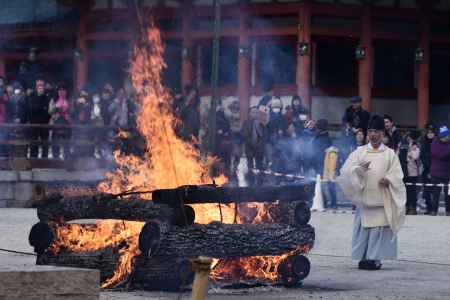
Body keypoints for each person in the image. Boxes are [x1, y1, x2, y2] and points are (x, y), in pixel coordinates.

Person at [337, 115, 406, 270]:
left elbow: (398, 175)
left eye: (377, 131)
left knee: (378, 231)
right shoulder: (359, 152)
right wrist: (358, 170)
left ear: (383, 133)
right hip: (364, 201)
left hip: (381, 200)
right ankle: (363, 258)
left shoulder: (389, 154)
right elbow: (346, 171)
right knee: (363, 231)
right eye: (371, 131)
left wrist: (388, 179)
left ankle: (375, 259)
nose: (373, 135)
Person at [24, 79, 51, 158]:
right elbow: (30, 108)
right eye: (38, 86)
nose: (40, 88)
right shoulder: (31, 95)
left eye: (41, 86)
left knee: (45, 144)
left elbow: (48, 111)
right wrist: (42, 108)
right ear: (36, 86)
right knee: (33, 143)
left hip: (45, 123)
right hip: (34, 123)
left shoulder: (47, 96)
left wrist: (41, 108)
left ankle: (45, 161)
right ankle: (33, 160)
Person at [429, 126, 450, 216]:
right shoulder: (434, 143)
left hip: (448, 172)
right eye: (446, 136)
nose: (448, 137)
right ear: (441, 136)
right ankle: (434, 210)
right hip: (436, 172)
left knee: (448, 194)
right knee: (435, 193)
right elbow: (439, 155)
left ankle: (448, 211)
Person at [404, 131, 422, 215]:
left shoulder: (416, 148)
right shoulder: (405, 147)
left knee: (413, 191)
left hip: (413, 172)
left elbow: (415, 157)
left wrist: (410, 149)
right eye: (407, 137)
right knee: (406, 191)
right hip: (405, 172)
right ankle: (406, 207)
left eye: (410, 137)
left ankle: (413, 208)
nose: (408, 139)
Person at [420, 123, 436, 214]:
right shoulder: (423, 141)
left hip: (436, 169)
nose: (430, 134)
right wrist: (428, 168)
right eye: (428, 132)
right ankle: (428, 207)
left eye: (432, 132)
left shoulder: (437, 141)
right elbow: (422, 155)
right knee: (426, 190)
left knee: (435, 191)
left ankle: (434, 208)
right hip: (426, 169)